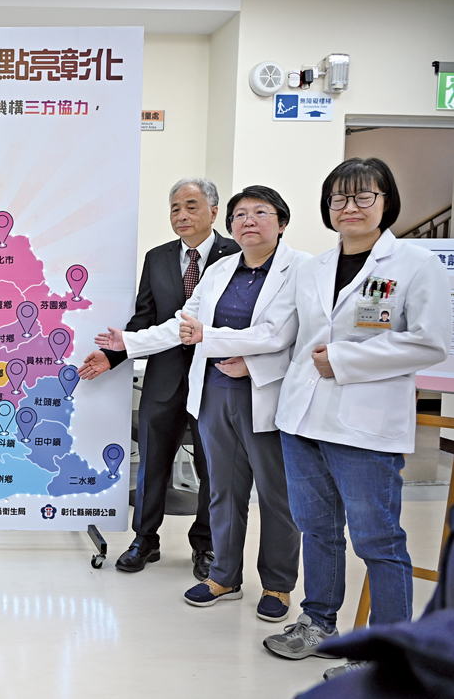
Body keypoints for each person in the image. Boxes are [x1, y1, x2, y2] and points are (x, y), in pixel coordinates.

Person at [186, 158, 451, 679]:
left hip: (364, 425)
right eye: (338, 199)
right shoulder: (313, 269)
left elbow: (430, 342)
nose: (349, 207)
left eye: (363, 196)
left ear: (386, 203)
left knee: (377, 540)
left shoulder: (415, 265)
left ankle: (385, 654)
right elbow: (285, 338)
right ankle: (317, 622)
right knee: (317, 530)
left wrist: (346, 361)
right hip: (302, 420)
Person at [102, 186, 308, 622]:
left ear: (282, 222)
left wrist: (215, 341)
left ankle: (277, 584)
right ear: (229, 222)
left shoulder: (301, 270)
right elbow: (183, 324)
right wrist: (130, 342)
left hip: (264, 395)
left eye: (260, 213)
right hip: (214, 393)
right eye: (241, 214)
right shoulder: (220, 270)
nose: (248, 221)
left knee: (276, 495)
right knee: (222, 492)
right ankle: (224, 576)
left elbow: (278, 334)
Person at [79, 177, 239, 581]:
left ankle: (205, 544)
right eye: (174, 208)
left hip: (216, 379)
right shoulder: (157, 258)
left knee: (212, 467)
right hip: (164, 378)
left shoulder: (236, 255)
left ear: (214, 211)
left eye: (191, 206)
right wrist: (113, 356)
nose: (181, 215)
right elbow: (144, 320)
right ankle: (144, 540)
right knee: (152, 463)